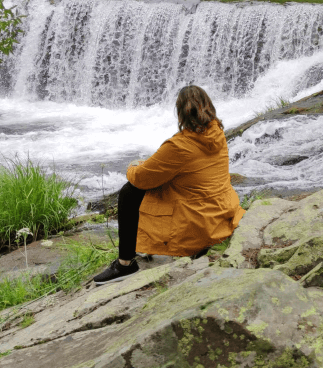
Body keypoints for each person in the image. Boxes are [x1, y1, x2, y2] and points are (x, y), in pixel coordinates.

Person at [93, 85, 245, 284]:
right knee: (166, 185)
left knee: (129, 192)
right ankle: (142, 246)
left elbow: (140, 177)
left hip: (199, 224)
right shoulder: (217, 133)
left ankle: (125, 263)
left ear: (180, 113)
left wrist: (133, 165)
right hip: (221, 213)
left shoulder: (178, 146)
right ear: (208, 108)